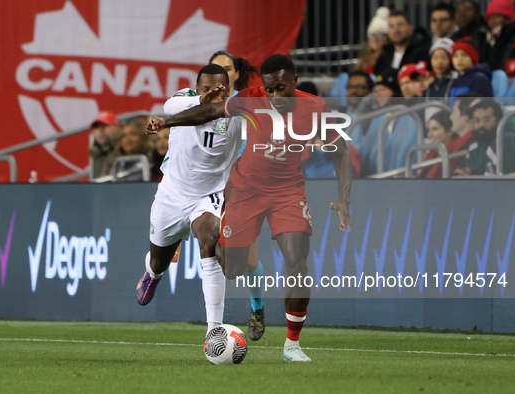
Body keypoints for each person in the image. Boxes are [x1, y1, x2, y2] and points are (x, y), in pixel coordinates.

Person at [145, 54, 353, 362]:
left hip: (286, 192)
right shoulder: (248, 99)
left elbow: (342, 151)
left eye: (280, 88)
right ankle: (248, 299)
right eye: (269, 89)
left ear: (294, 82)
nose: (273, 96)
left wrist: (345, 199)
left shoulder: (316, 109)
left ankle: (291, 345)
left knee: (298, 261)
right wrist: (166, 122)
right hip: (242, 191)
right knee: (232, 266)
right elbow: (206, 111)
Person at [135, 65, 242, 341]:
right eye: (207, 89)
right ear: (197, 88)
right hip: (171, 195)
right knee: (160, 260)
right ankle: (153, 272)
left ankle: (214, 332)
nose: (214, 94)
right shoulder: (184, 100)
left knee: (209, 239)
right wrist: (200, 100)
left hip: (208, 196)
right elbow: (170, 105)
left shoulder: (238, 110)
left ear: (230, 90)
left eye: (221, 90)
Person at [210, 51, 265, 340]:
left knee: (248, 264)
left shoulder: (248, 103)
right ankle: (213, 325)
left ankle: (257, 306)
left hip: (243, 189)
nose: (221, 72)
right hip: (206, 189)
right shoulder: (197, 104)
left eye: (227, 68)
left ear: (235, 75)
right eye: (216, 67)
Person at [455, 98, 515, 175]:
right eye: (476, 120)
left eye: (486, 120)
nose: (481, 124)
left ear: (498, 120)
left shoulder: (507, 140)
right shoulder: (479, 144)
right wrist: (470, 174)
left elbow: (509, 182)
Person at [373, 10, 431, 76]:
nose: (396, 30)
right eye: (391, 26)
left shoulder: (422, 53)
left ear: (411, 29)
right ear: (388, 32)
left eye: (400, 25)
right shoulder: (383, 55)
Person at [481, 0, 515, 76]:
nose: (492, 20)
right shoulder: (486, 37)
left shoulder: (513, 36)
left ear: (508, 19)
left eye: (497, 16)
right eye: (490, 17)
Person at [356, 6, 390, 74]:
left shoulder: (389, 58)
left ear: (386, 37)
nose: (374, 38)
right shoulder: (363, 58)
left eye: (378, 34)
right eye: (371, 34)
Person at [88, 111, 121, 180]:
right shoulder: (94, 152)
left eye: (105, 125)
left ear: (117, 127)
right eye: (97, 127)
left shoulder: (125, 149)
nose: (100, 130)